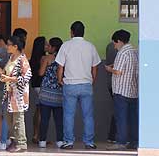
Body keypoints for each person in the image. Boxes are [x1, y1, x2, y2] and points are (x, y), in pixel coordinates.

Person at [56, 21, 101, 149]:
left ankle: (69, 141)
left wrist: (60, 80)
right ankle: (89, 142)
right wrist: (92, 80)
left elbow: (60, 67)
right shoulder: (90, 46)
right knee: (88, 115)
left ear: (72, 32)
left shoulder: (65, 46)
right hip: (86, 84)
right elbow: (95, 67)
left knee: (69, 115)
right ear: (83, 32)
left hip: (70, 85)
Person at [0, 35, 32, 153]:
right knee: (9, 119)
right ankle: (14, 141)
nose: (7, 46)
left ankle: (21, 143)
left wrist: (9, 79)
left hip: (18, 96)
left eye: (9, 44)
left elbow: (26, 77)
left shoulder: (22, 59)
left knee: (18, 119)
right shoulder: (11, 58)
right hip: (9, 94)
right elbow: (5, 74)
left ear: (15, 47)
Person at [105, 30, 139, 151]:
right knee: (133, 118)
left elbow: (118, 71)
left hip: (121, 90)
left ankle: (121, 142)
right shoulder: (134, 51)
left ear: (119, 41)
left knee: (121, 118)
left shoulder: (122, 53)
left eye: (114, 43)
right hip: (133, 90)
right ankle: (134, 141)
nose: (114, 46)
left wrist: (109, 69)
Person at [38, 37, 64, 149]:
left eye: (49, 46)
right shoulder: (63, 58)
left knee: (44, 118)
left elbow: (41, 73)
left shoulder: (48, 58)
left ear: (54, 47)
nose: (47, 47)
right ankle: (60, 141)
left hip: (46, 93)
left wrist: (42, 63)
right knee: (59, 119)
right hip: (59, 92)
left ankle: (42, 141)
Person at [29, 36, 48, 144]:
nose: (47, 46)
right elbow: (42, 72)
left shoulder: (34, 58)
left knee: (38, 110)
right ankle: (39, 136)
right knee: (41, 111)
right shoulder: (43, 58)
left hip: (35, 85)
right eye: (46, 44)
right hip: (42, 86)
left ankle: (36, 134)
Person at [104, 40, 118, 144]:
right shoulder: (115, 48)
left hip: (110, 83)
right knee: (119, 110)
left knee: (117, 110)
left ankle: (112, 136)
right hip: (116, 84)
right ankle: (114, 136)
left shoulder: (109, 47)